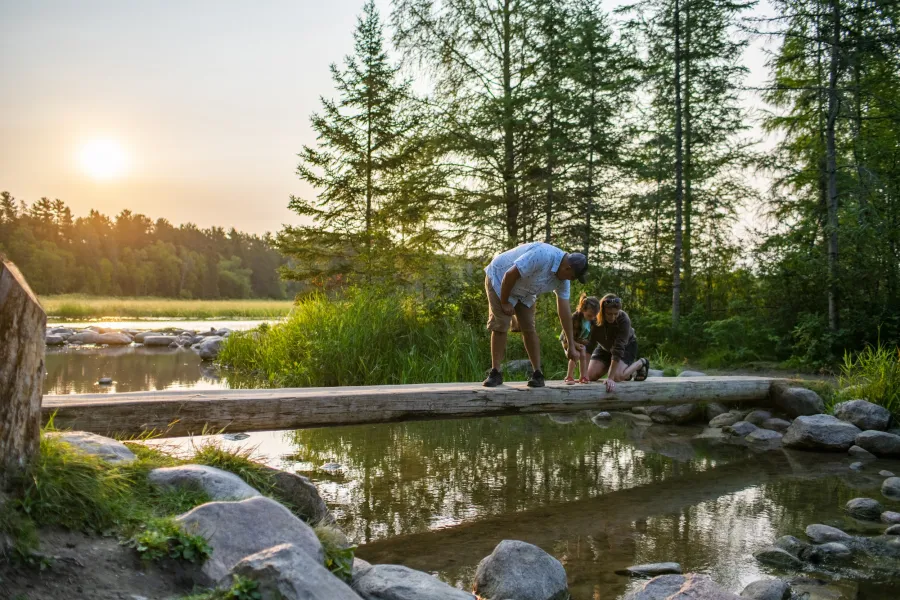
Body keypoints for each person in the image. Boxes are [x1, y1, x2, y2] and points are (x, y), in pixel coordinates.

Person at [482, 242, 589, 388]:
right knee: (501, 324)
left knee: (529, 327)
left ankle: (537, 374)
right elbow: (510, 275)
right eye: (572, 277)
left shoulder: (564, 280)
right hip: (501, 279)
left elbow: (564, 311)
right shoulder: (542, 255)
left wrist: (571, 344)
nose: (571, 280)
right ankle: (496, 372)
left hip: (526, 289)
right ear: (567, 268)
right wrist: (505, 302)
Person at [587, 294, 650, 392]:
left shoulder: (624, 319)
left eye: (615, 314)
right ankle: (622, 370)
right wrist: (583, 375)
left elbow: (618, 349)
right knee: (589, 376)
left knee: (616, 377)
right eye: (609, 314)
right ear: (602, 311)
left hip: (626, 347)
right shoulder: (594, 319)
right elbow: (589, 346)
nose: (613, 317)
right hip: (605, 348)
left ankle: (641, 363)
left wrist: (610, 378)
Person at [560, 293, 600, 384]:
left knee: (582, 354)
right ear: (582, 309)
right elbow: (568, 335)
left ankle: (583, 377)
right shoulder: (575, 318)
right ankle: (569, 376)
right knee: (576, 354)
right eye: (590, 315)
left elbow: (588, 336)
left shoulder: (592, 321)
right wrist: (576, 344)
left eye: (595, 316)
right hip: (569, 340)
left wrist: (584, 342)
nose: (592, 318)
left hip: (580, 341)